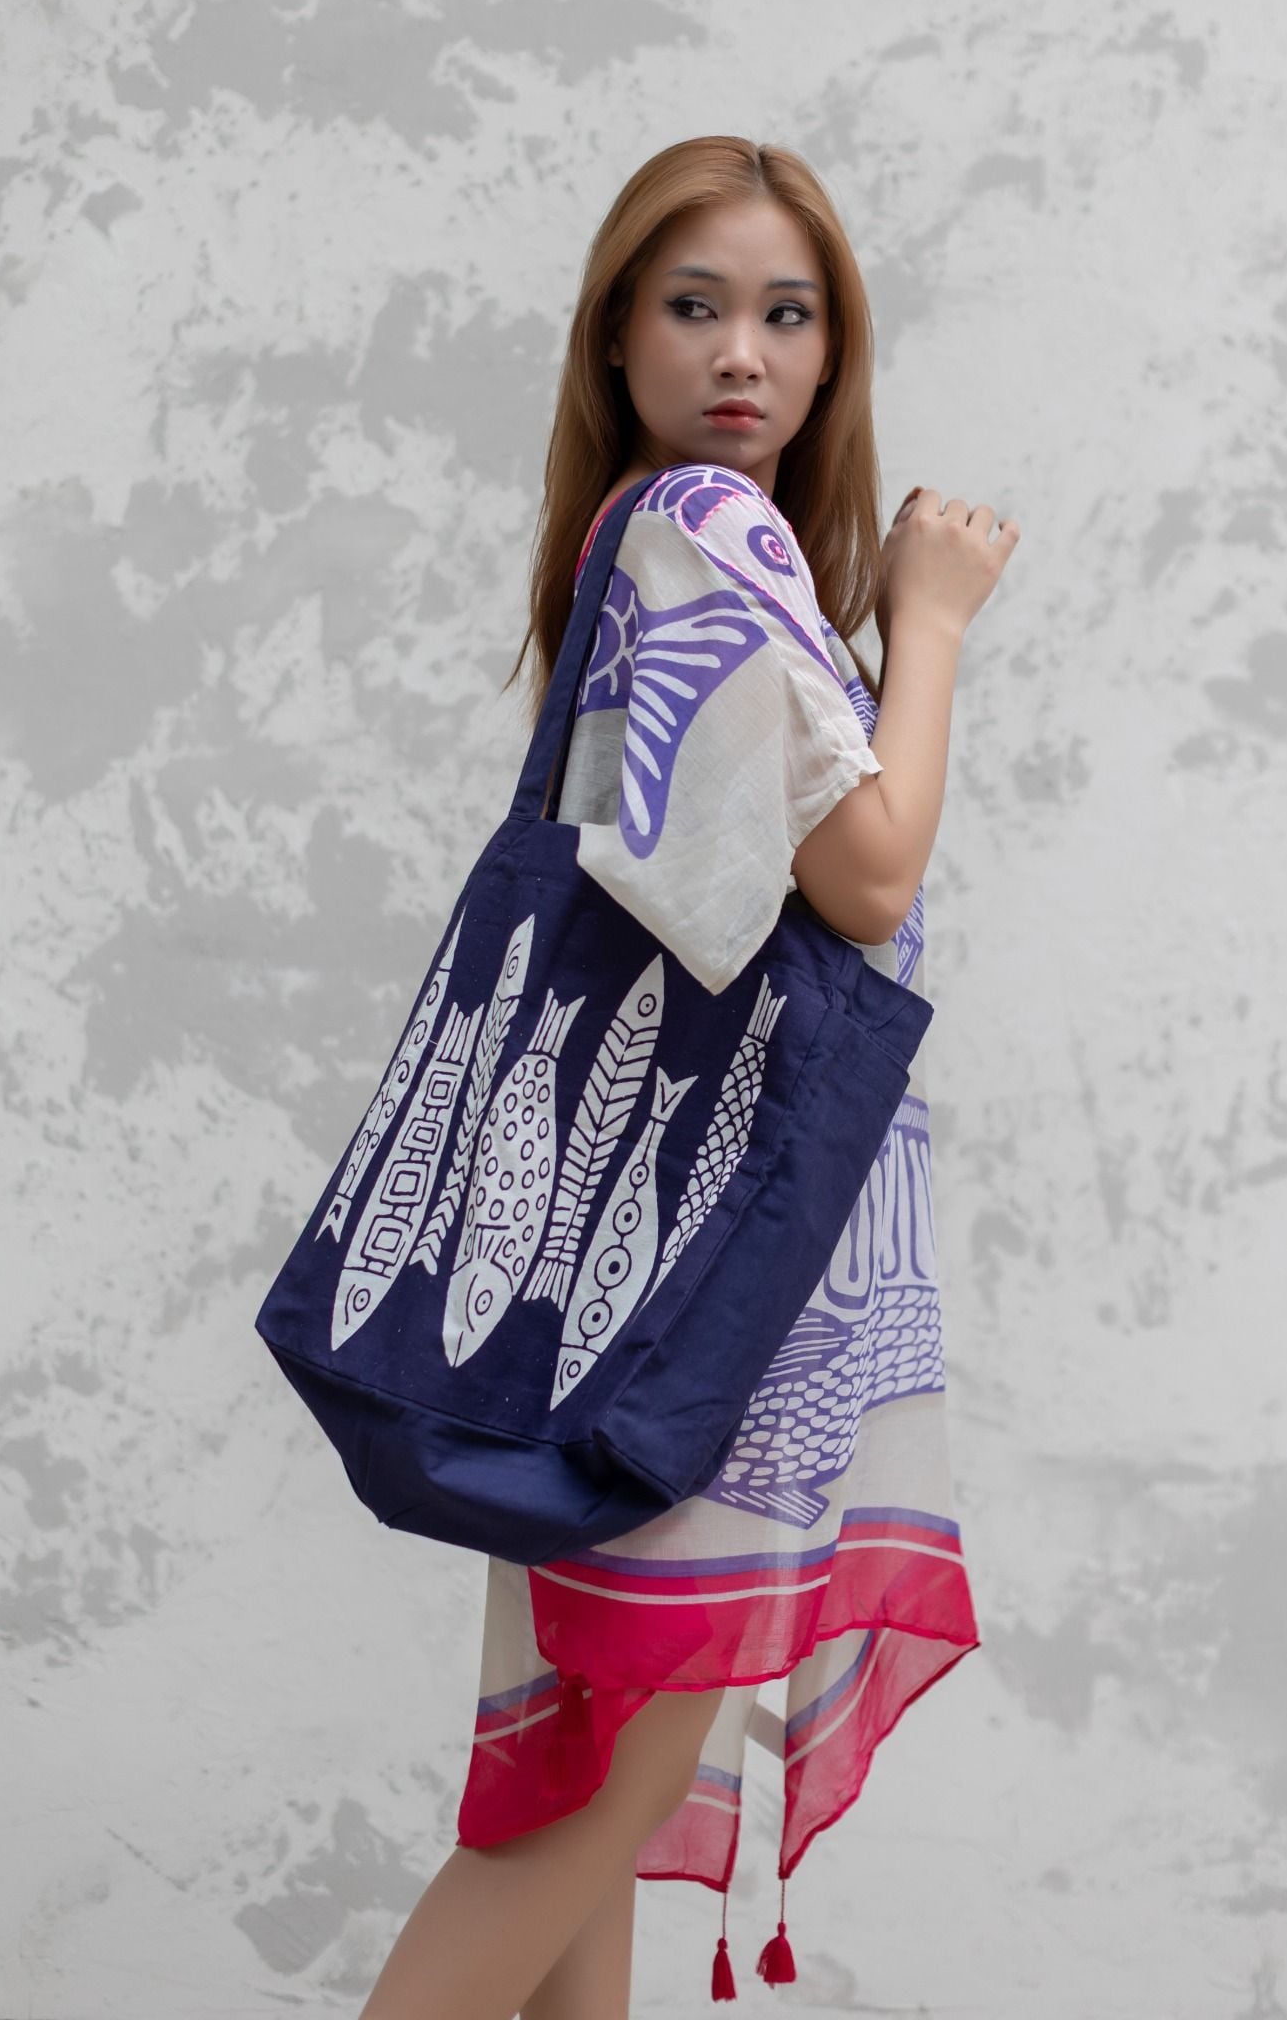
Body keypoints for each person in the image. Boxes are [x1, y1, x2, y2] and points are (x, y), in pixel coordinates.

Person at [360, 134, 1020, 2020]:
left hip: (609, 1284)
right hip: (704, 1305)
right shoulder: (714, 536)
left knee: (587, 1805)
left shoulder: (628, 549)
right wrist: (933, 626)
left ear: (832, 352)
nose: (743, 352)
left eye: (787, 315)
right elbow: (867, 873)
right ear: (619, 335)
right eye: (696, 305)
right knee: (595, 1799)